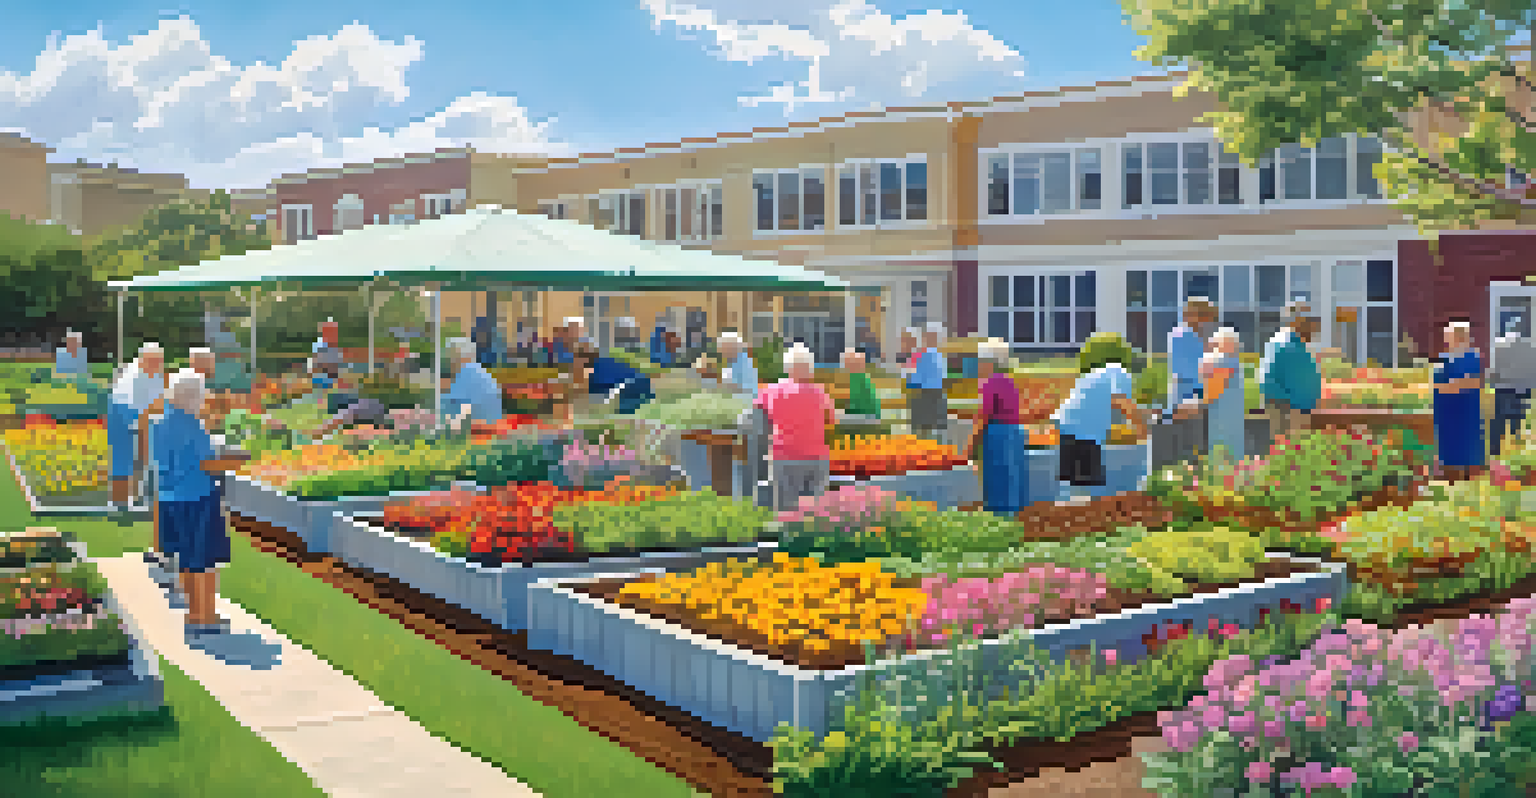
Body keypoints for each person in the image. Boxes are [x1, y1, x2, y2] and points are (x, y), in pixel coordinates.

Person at [154, 369, 246, 640]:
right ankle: (204, 616)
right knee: (204, 562)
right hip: (198, 498)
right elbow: (206, 464)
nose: (204, 401)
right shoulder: (193, 426)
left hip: (170, 498)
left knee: (184, 557)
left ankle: (192, 613)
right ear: (190, 397)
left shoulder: (160, 422)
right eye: (201, 395)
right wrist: (239, 461)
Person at [1053, 339, 1149, 501]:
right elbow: (1123, 402)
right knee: (1088, 486)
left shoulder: (1104, 371)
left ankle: (1067, 510)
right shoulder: (1122, 374)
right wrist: (1143, 431)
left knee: (1068, 484)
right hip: (1084, 430)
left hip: (1066, 423)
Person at [755, 343, 837, 512]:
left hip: (784, 456)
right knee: (816, 511)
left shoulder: (772, 391)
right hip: (816, 457)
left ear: (788, 368)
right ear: (810, 368)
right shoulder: (820, 393)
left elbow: (755, 411)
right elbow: (831, 420)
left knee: (786, 510)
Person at [965, 338, 1027, 515]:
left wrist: (971, 442)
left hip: (997, 434)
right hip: (1014, 432)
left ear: (990, 363)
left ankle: (999, 516)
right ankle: (1013, 514)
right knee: (1012, 476)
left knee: (997, 476)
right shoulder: (1008, 381)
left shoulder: (989, 383)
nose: (978, 365)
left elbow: (984, 415)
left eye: (980, 361)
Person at [1176, 327, 1246, 464]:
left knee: (1223, 462)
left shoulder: (1223, 361)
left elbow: (1211, 394)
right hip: (1232, 423)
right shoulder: (1234, 362)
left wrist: (1189, 405)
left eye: (1213, 344)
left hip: (1221, 424)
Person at [109, 342, 166, 511]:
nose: (156, 364)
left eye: (159, 361)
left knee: (147, 454)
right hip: (120, 410)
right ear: (143, 359)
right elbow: (142, 415)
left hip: (140, 411)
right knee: (123, 457)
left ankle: (142, 497)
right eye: (153, 361)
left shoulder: (156, 374)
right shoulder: (135, 378)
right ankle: (119, 503)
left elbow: (159, 402)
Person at [1258, 300, 1323, 445]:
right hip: (1290, 412)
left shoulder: (1283, 342)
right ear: (1297, 321)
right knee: (1290, 451)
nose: (1315, 327)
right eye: (1311, 321)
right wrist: (1304, 409)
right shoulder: (1288, 345)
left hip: (1287, 409)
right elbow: (1301, 385)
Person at [1435, 319, 1486, 481]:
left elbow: (1473, 383)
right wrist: (1449, 386)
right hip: (1446, 412)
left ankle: (1466, 480)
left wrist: (1450, 386)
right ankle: (1449, 477)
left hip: (1464, 411)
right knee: (1447, 448)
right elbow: (1437, 383)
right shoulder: (1445, 358)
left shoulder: (1471, 357)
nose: (1446, 339)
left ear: (1459, 337)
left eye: (1448, 335)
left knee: (1465, 449)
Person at [1490, 315, 1536, 457]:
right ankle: (1515, 454)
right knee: (1517, 424)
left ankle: (1495, 452)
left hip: (1502, 389)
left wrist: (1493, 382)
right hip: (1521, 389)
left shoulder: (1499, 344)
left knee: (1498, 423)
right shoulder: (1530, 346)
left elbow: (1493, 369)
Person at [440, 337, 504, 425]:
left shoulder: (466, 372)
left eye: (452, 357)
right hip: (492, 423)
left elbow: (454, 404)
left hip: (478, 425)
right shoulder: (479, 371)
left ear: (459, 357)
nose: (450, 362)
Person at [907, 323, 948, 443]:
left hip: (924, 395)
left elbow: (915, 379)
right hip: (937, 395)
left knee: (922, 432)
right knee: (936, 432)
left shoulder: (922, 355)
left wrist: (910, 383)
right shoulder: (940, 356)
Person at [842, 348, 881, 418]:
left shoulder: (856, 379)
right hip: (871, 416)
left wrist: (844, 412)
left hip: (866, 417)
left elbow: (856, 405)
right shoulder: (864, 377)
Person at [719, 331, 759, 399]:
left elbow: (746, 387)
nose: (722, 351)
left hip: (745, 399)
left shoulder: (743, 362)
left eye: (724, 347)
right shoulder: (732, 361)